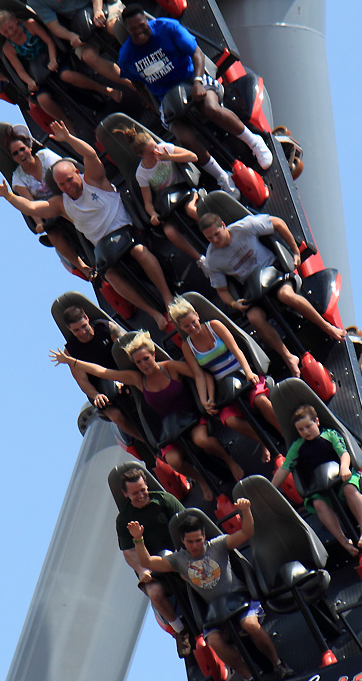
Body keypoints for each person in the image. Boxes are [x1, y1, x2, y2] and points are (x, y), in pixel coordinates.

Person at [0, 120, 176, 328]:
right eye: (62, 185)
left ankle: (167, 299)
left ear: (76, 173)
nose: (68, 186)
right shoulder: (61, 203)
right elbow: (32, 208)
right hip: (105, 245)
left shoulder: (93, 179)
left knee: (139, 252)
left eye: (69, 180)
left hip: (126, 230)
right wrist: (9, 196)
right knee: (112, 276)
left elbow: (90, 156)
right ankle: (155, 314)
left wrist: (68, 138)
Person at [51, 330, 247, 499]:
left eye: (146, 359)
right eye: (138, 362)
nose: (144, 364)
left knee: (202, 440)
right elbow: (103, 372)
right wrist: (72, 362)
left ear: (153, 354)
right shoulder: (137, 379)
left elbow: (199, 374)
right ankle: (202, 480)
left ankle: (230, 462)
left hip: (191, 417)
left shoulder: (169, 367)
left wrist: (206, 398)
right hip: (169, 427)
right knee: (174, 460)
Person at [127, 500, 292, 681]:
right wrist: (138, 539)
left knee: (250, 625)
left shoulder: (218, 545)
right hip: (215, 610)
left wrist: (245, 511)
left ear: (204, 537)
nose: (195, 546)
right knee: (214, 641)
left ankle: (278, 664)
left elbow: (247, 532)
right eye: (190, 542)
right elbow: (148, 562)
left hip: (239, 599)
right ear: (182, 541)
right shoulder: (179, 560)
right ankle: (250, 678)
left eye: (198, 540)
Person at [118, 6, 273, 183]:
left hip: (193, 81)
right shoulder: (126, 57)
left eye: (141, 25)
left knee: (211, 108)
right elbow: (137, 84)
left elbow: (196, 53)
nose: (139, 31)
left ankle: (254, 142)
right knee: (185, 137)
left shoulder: (168, 28)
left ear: (147, 21)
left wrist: (198, 81)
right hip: (167, 98)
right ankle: (221, 176)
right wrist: (155, 107)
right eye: (133, 29)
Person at [200, 211, 345, 376]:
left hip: (274, 272)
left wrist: (295, 251)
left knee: (286, 295)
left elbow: (278, 223)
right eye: (210, 238)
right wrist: (233, 303)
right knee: (254, 318)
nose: (215, 241)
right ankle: (289, 357)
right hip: (253, 288)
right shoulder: (212, 259)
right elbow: (222, 290)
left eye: (217, 234)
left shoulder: (245, 227)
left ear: (223, 226)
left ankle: (326, 326)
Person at [168, 298, 280, 460]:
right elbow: (199, 374)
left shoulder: (214, 326)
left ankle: (287, 435)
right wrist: (204, 399)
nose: (192, 328)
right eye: (186, 326)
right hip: (224, 386)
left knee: (261, 401)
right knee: (231, 420)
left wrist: (248, 372)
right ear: (181, 327)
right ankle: (265, 442)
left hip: (241, 373)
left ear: (197, 316)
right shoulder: (187, 346)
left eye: (193, 322)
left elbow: (236, 349)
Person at [14, 0, 139, 100]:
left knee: (113, 28)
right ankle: (133, 85)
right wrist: (70, 36)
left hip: (100, 5)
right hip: (81, 24)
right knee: (88, 56)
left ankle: (143, 56)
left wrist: (97, 10)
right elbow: (53, 25)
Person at [271, 404, 362, 555]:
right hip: (320, 486)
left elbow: (343, 453)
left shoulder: (329, 435)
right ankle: (344, 542)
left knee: (349, 488)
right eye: (300, 429)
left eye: (308, 426)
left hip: (341, 478)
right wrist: (270, 489)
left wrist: (344, 467)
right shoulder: (298, 445)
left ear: (317, 421)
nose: (305, 432)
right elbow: (285, 468)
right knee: (318, 503)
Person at [115, 466, 190, 656]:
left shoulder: (164, 501)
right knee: (155, 593)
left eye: (143, 490)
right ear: (126, 494)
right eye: (135, 493)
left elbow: (189, 523)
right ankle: (181, 631)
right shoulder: (124, 519)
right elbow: (128, 552)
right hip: (153, 566)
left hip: (178, 557)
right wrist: (142, 570)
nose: (140, 495)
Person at [110, 124, 207, 260]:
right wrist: (153, 214)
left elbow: (192, 156)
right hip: (168, 202)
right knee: (170, 232)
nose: (156, 152)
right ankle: (200, 259)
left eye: (155, 147)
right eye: (151, 152)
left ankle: (215, 231)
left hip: (184, 190)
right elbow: (148, 202)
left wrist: (170, 157)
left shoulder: (165, 149)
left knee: (191, 210)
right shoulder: (141, 174)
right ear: (141, 155)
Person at [60, 306, 143, 445]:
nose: (82, 332)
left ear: (87, 319)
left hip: (123, 373)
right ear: (69, 329)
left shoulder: (106, 328)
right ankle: (145, 441)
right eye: (76, 330)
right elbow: (82, 381)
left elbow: (128, 350)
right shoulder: (71, 351)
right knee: (116, 416)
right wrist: (96, 395)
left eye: (84, 326)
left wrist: (124, 377)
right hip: (100, 388)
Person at [0, 11, 83, 128]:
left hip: (53, 57)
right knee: (43, 100)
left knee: (67, 75)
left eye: (11, 27)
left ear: (15, 21)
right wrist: (30, 82)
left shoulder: (30, 25)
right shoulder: (8, 48)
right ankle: (68, 125)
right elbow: (20, 70)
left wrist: (53, 59)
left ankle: (103, 90)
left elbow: (49, 42)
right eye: (5, 32)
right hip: (39, 71)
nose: (11, 32)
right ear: (1, 33)